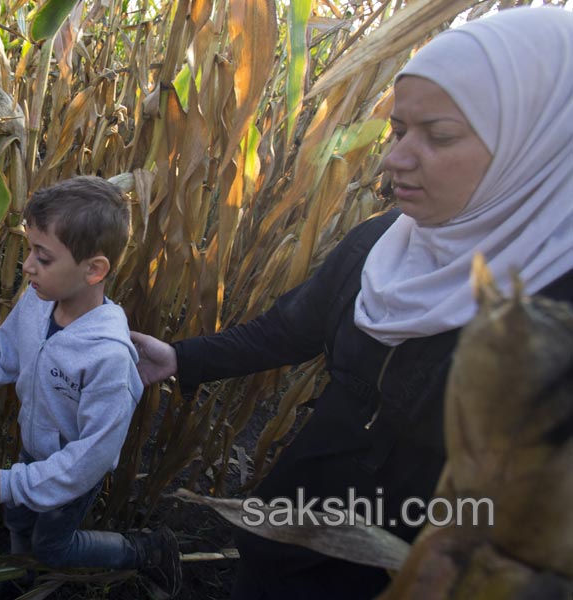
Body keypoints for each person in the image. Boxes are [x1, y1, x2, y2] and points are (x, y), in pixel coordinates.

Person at [130, 7, 573, 600]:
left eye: (437, 136)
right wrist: (179, 358)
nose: (394, 160)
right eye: (397, 132)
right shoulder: (386, 239)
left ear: (538, 142)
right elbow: (292, 328)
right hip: (298, 524)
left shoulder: (554, 306)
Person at [0, 176, 181, 599]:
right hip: (32, 451)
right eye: (29, 251)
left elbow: (91, 456)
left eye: (42, 257)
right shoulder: (36, 301)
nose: (27, 266)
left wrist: (10, 484)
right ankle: (21, 574)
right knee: (18, 521)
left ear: (94, 269)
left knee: (53, 545)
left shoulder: (108, 359)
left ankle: (144, 551)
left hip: (72, 471)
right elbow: (7, 358)